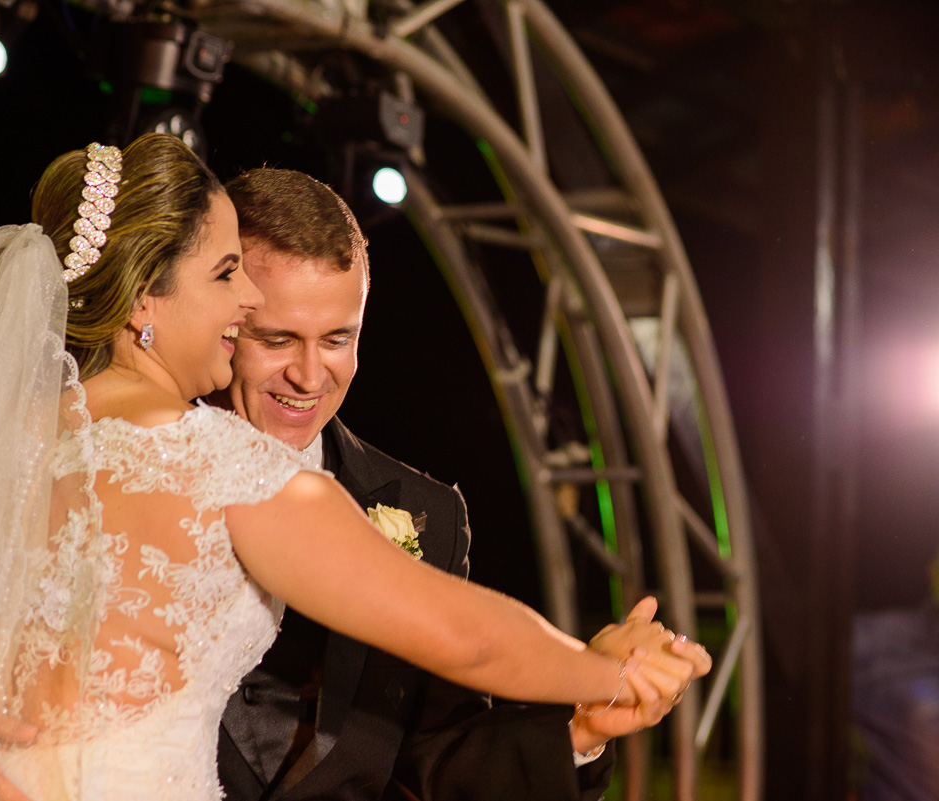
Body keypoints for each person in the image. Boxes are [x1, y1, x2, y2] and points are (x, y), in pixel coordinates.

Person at [0, 134, 703, 801]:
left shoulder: (11, 441)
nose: (244, 308)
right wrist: (603, 669)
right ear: (146, 301)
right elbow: (466, 637)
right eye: (229, 277)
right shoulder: (217, 462)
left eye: (337, 336)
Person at [210, 167, 709, 801]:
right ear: (220, 317)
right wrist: (598, 670)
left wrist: (580, 726)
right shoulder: (124, 469)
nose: (310, 376)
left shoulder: (426, 513)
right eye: (276, 339)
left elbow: (437, 763)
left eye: (339, 339)